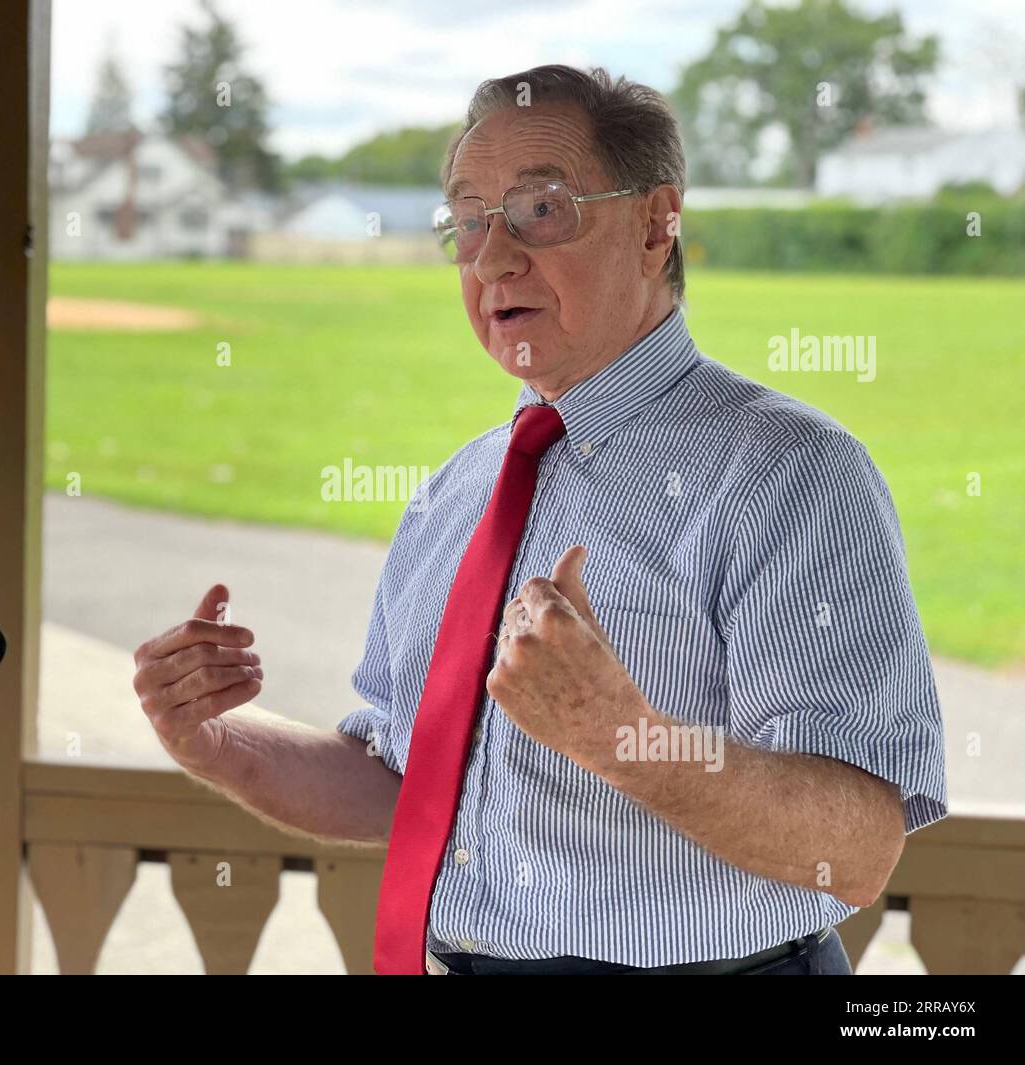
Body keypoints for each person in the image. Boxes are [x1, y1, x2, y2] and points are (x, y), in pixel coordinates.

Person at [132, 64, 947, 976]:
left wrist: (619, 735)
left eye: (541, 210)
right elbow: (410, 781)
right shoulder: (458, 490)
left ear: (653, 225)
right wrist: (216, 743)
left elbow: (860, 846)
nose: (491, 257)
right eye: (469, 220)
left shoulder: (789, 473)